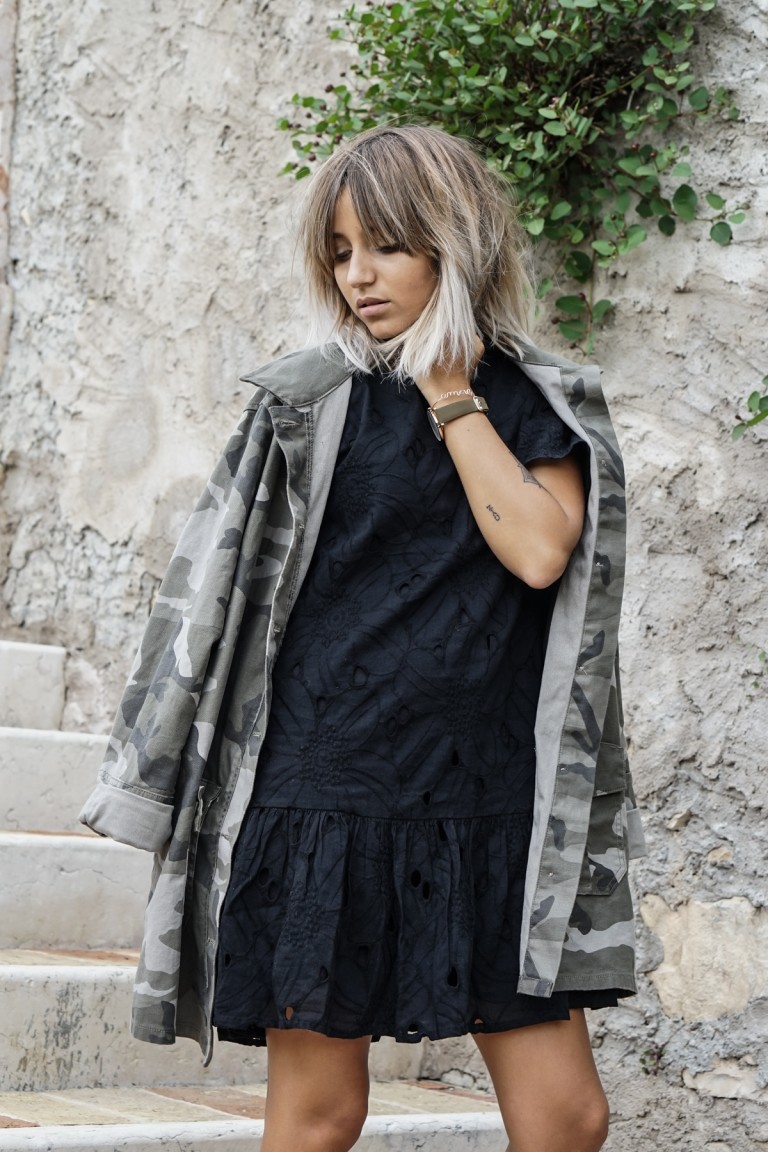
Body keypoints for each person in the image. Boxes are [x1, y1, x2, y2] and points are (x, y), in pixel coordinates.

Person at [80, 124, 645, 1152]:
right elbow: (212, 593)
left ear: (455, 244)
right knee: (321, 1114)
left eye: (385, 246)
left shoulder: (539, 402)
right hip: (326, 793)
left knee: (567, 1117)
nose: (358, 276)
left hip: (489, 800)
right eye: (340, 252)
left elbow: (537, 551)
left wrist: (450, 394)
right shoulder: (309, 403)